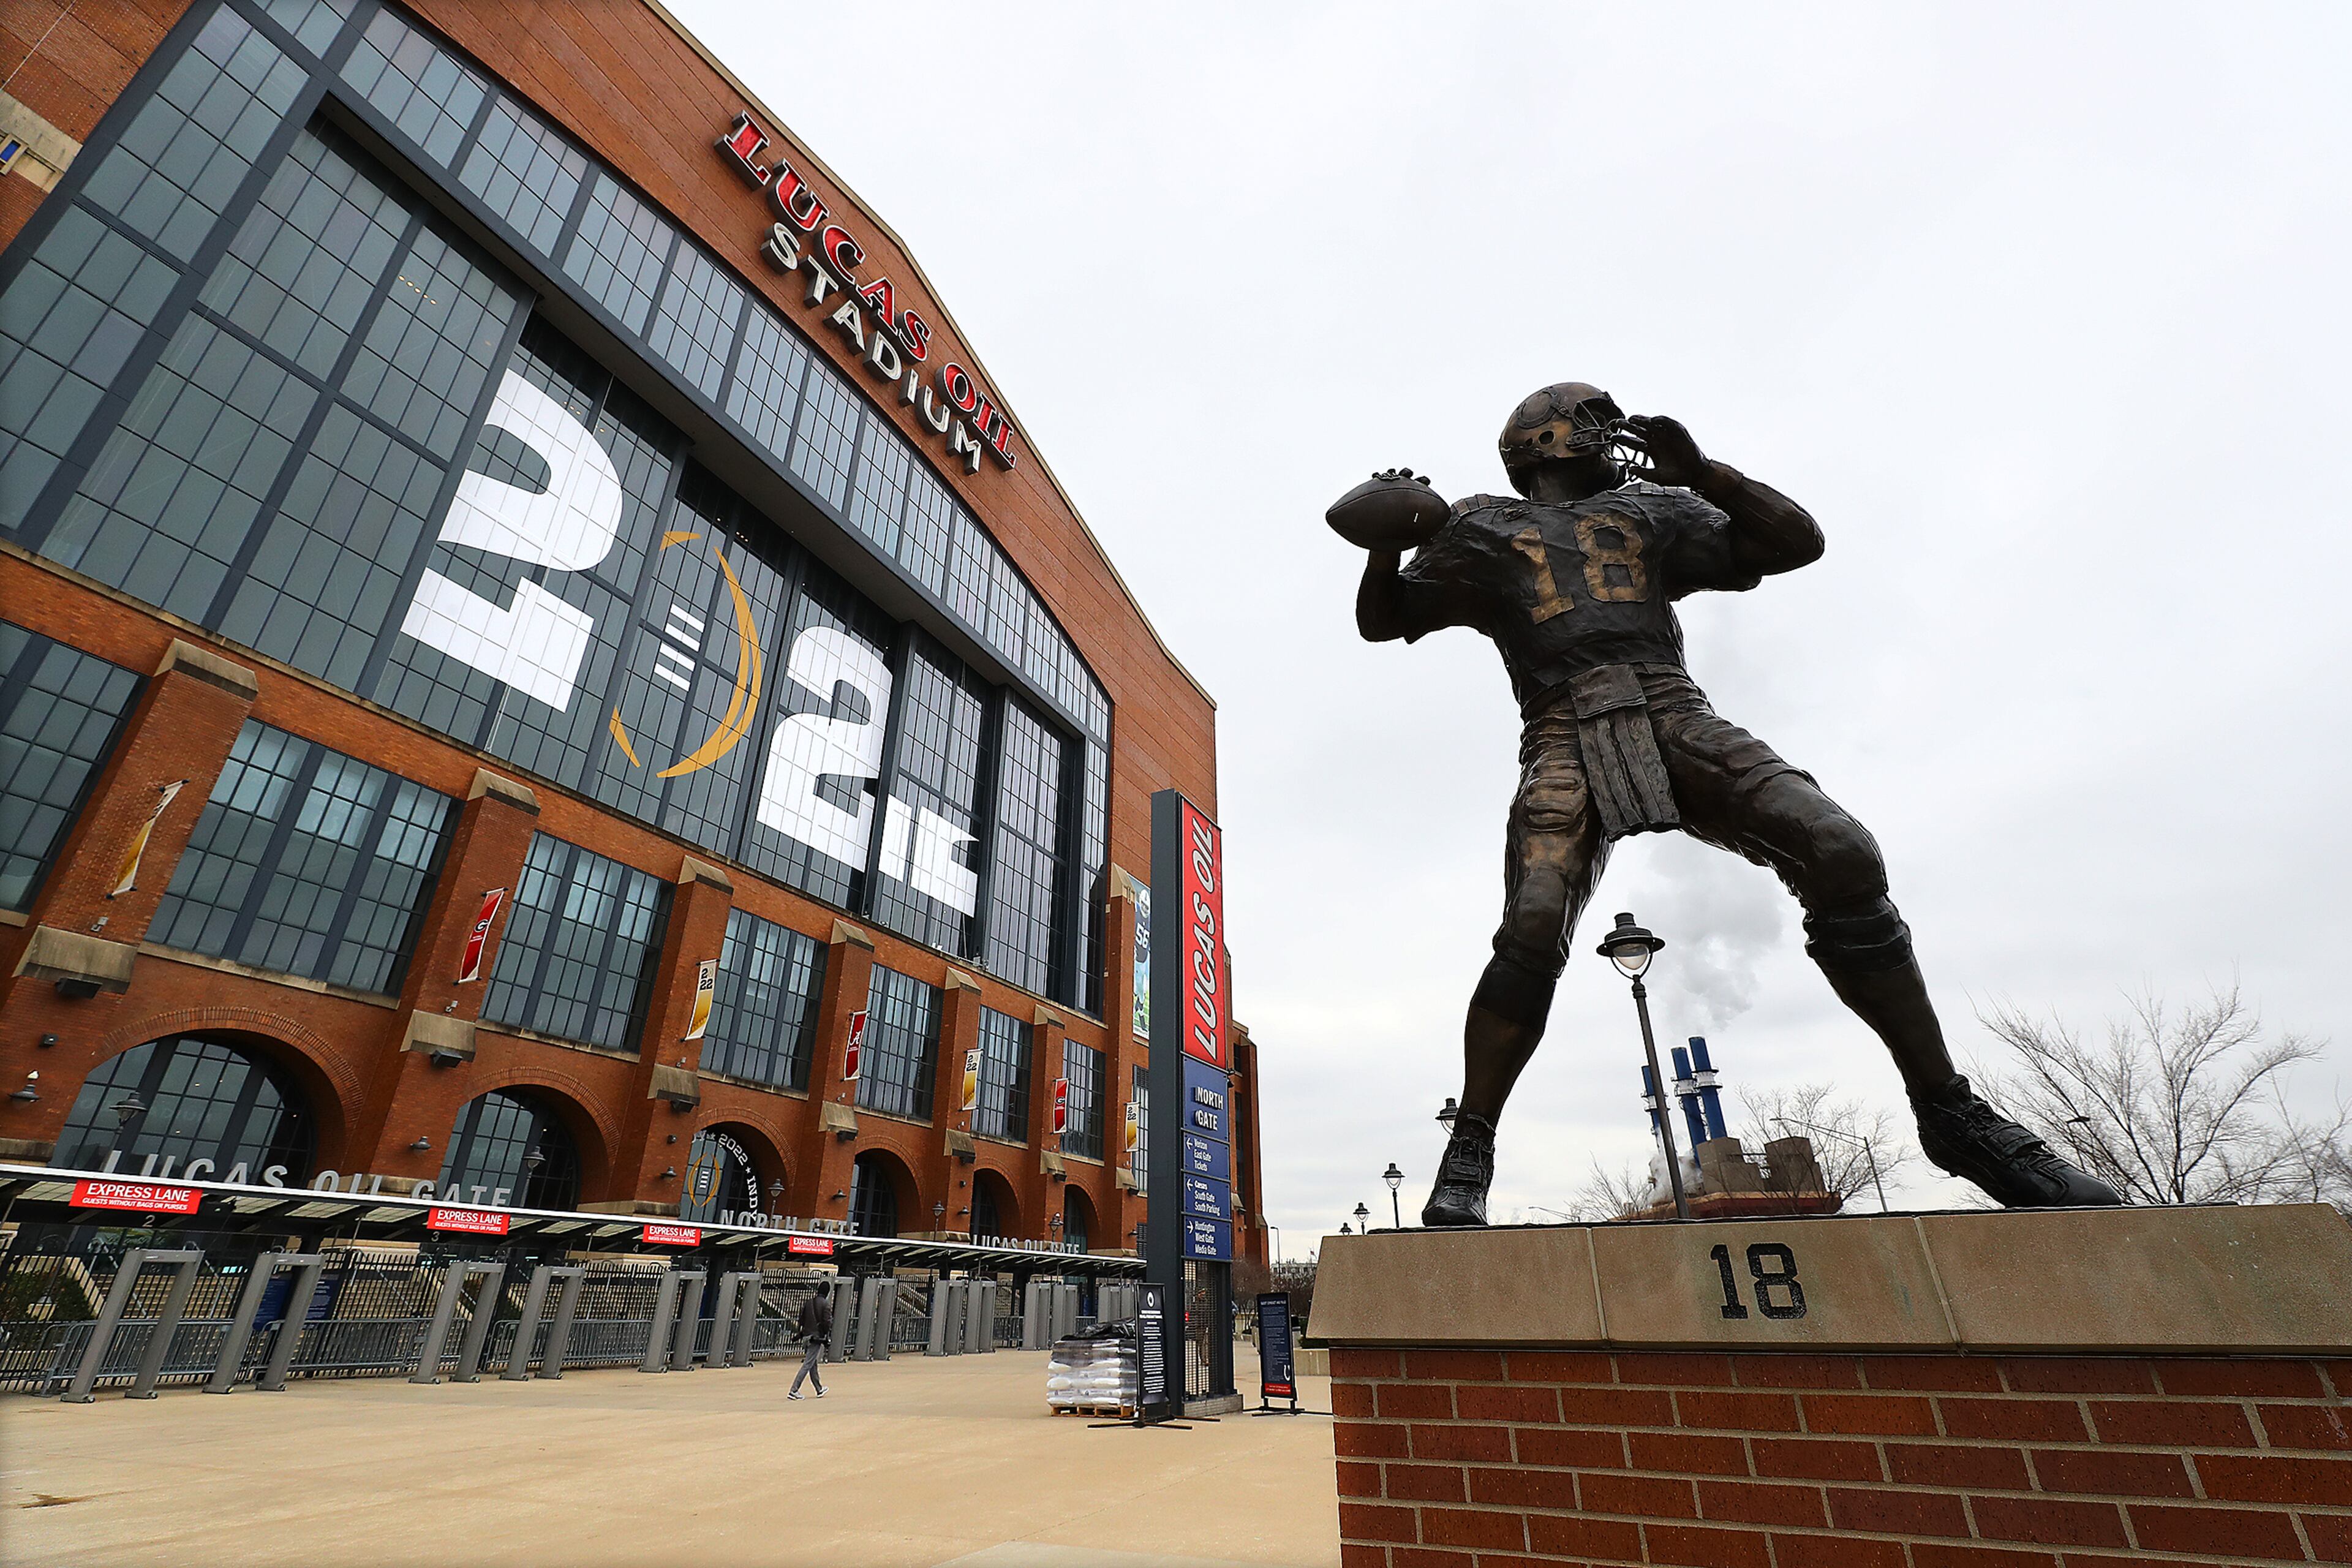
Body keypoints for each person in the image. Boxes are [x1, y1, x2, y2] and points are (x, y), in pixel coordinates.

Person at [1351, 382, 2122, 1223]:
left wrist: (1709, 474)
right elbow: (1384, 620)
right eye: (1595, 419)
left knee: (1841, 851)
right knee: (1535, 920)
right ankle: (1473, 1141)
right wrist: (1385, 545)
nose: (1615, 432)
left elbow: (1798, 543)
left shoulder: (1651, 506)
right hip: (1563, 726)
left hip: (1674, 710)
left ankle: (1950, 1112)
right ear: (1546, 440)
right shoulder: (1481, 525)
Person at [788, 1286, 831, 1399]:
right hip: (816, 1338)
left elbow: (801, 1320)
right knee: (808, 1364)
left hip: (806, 1337)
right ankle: (794, 1390)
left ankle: (819, 1389)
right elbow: (827, 1322)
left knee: (813, 1364)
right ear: (827, 1292)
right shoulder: (825, 1304)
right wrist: (825, 1335)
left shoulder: (808, 1303)